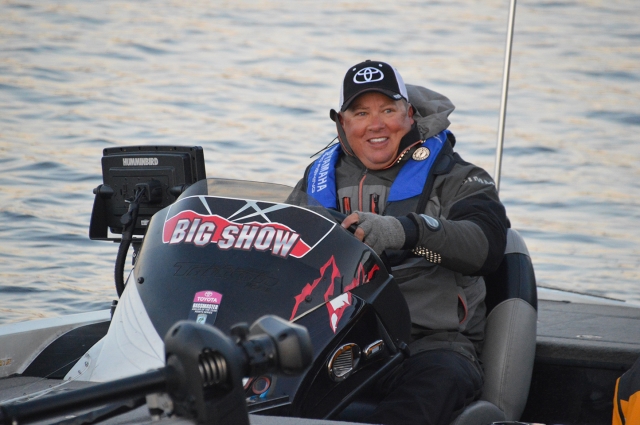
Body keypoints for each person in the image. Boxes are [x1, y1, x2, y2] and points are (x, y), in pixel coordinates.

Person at [291, 60, 510, 425]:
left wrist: (403, 231)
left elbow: (487, 246)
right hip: (333, 345)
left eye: (388, 110)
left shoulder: (459, 177)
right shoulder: (315, 179)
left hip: (429, 347)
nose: (375, 124)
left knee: (434, 384)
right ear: (342, 122)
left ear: (409, 114)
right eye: (361, 113)